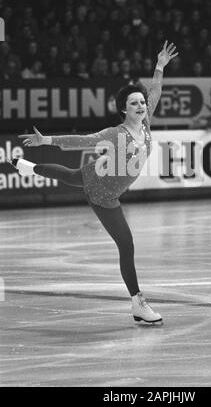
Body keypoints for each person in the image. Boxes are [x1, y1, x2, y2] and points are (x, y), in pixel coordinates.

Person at [9, 41, 178, 325]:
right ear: (124, 111)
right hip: (103, 193)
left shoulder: (146, 125)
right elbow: (82, 141)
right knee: (127, 245)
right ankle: (138, 302)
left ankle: (28, 167)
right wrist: (46, 140)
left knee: (68, 175)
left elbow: (155, 92)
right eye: (134, 103)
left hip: (95, 173)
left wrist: (160, 66)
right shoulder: (116, 132)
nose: (141, 105)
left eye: (141, 102)